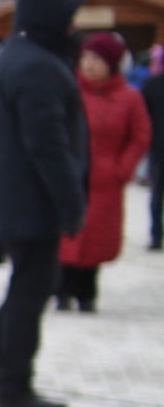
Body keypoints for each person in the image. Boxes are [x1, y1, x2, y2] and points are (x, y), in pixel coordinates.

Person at [0, 0, 87, 407]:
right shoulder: (37, 65)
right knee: (32, 289)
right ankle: (12, 383)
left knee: (29, 286)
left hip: (17, 196)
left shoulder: (18, 55)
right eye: (70, 14)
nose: (76, 25)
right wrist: (71, 201)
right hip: (31, 200)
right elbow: (47, 144)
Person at [55, 31, 150, 313]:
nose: (88, 64)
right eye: (85, 57)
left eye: (95, 59)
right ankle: (62, 290)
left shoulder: (129, 97)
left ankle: (86, 292)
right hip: (71, 174)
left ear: (111, 63)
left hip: (105, 179)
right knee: (66, 234)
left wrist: (122, 169)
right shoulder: (70, 91)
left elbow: (141, 136)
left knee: (96, 237)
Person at [144, 48, 164, 251]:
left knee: (157, 194)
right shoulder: (151, 84)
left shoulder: (152, 84)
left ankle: (156, 235)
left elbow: (144, 119)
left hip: (158, 148)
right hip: (158, 148)